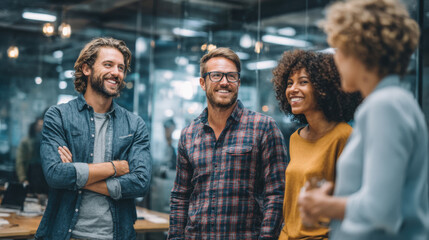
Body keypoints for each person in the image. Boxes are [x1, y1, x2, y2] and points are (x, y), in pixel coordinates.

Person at [298, 0, 429, 239]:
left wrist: (322, 206)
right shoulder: (395, 102)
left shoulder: (385, 105)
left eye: (339, 50)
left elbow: (381, 211)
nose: (336, 60)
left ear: (359, 51)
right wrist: (336, 198)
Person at [35, 37, 152, 240]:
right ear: (86, 69)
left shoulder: (134, 125)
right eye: (108, 65)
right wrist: (115, 168)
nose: (116, 72)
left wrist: (77, 175)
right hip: (65, 234)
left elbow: (140, 182)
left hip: (116, 235)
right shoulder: (59, 116)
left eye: (121, 68)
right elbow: (55, 174)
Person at [168, 47, 288, 239]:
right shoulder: (189, 135)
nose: (224, 82)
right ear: (202, 82)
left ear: (238, 82)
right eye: (216, 75)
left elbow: (277, 194)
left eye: (231, 76)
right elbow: (180, 196)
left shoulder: (264, 127)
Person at [271, 49, 361, 240]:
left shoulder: (343, 136)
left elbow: (353, 203)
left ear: (323, 88)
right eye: (289, 83)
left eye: (303, 82)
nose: (293, 89)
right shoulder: (296, 138)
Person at [16, 116, 49, 194]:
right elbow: (20, 161)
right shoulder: (26, 141)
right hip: (31, 174)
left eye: (43, 125)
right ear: (35, 126)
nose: (41, 128)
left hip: (44, 177)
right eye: (39, 125)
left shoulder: (47, 141)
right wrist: (23, 179)